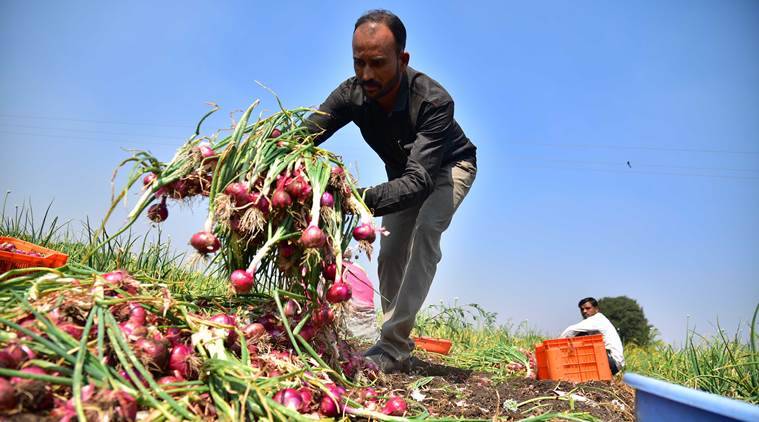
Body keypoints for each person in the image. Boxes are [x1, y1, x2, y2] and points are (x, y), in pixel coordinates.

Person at [305, 9, 477, 372]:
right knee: (390, 252)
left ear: (402, 59)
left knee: (425, 232)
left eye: (378, 63)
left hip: (448, 168)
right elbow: (305, 136)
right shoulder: (350, 94)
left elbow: (420, 182)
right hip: (402, 173)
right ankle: (392, 339)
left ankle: (392, 345)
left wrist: (353, 199)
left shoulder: (433, 101)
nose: (366, 74)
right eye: (359, 63)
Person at [560, 297, 625, 375]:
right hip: (612, 362)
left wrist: (558, 346)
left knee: (579, 336)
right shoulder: (596, 321)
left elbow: (570, 330)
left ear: (596, 309)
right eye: (582, 309)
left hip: (612, 361)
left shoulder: (597, 319)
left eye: (588, 308)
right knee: (581, 336)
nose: (584, 311)